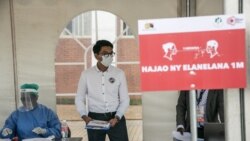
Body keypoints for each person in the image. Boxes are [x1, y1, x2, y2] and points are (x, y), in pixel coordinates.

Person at [75, 40, 130, 141]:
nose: (109, 56)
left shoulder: (119, 73)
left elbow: (125, 99)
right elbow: (79, 98)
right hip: (94, 119)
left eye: (111, 53)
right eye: (105, 54)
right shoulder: (86, 74)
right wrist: (84, 116)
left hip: (116, 117)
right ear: (96, 56)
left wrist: (117, 117)